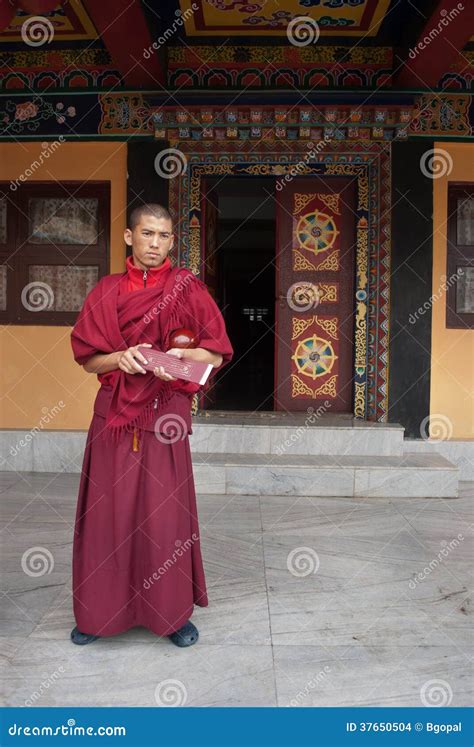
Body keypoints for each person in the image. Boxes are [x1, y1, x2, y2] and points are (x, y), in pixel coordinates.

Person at [69, 203, 233, 647]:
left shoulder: (188, 289)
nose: (155, 244)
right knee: (108, 513)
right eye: (147, 234)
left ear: (172, 242)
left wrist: (182, 358)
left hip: (166, 416)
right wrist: (119, 358)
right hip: (115, 414)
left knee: (164, 515)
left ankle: (172, 613)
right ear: (129, 237)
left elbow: (215, 353)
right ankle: (97, 614)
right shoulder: (106, 291)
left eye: (163, 236)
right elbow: (88, 360)